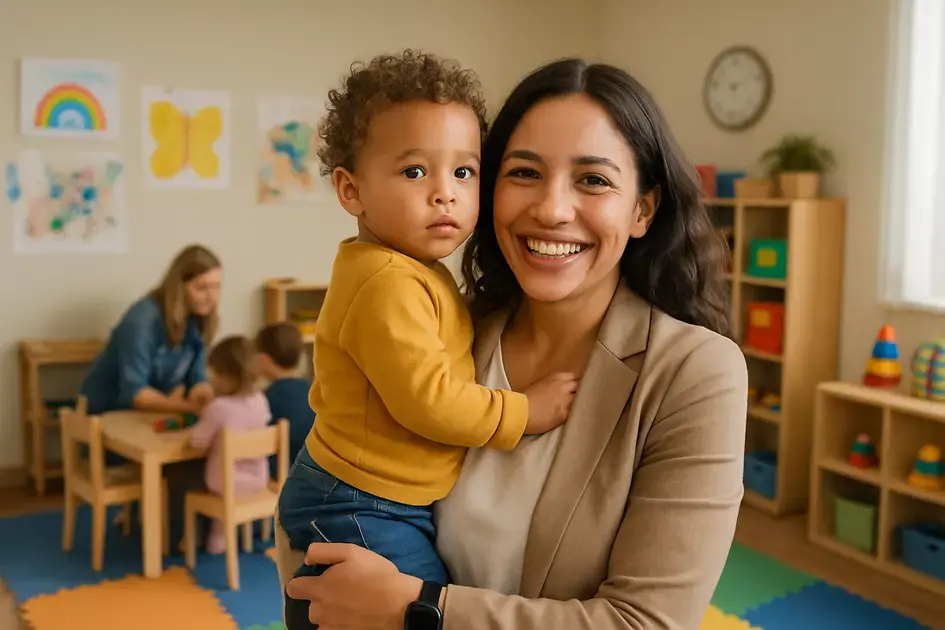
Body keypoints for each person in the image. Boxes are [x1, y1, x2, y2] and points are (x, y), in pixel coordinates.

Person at [276, 57, 747, 630]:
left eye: (593, 179)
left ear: (642, 209)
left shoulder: (695, 374)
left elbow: (644, 623)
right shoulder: (458, 328)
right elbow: (329, 488)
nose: (551, 209)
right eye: (524, 173)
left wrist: (420, 609)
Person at [276, 50, 578, 629]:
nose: (446, 193)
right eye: (415, 172)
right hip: (358, 501)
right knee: (403, 609)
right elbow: (429, 399)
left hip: (379, 496)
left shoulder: (408, 267)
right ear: (351, 190)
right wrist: (524, 412)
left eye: (463, 172)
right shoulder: (386, 281)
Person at [80, 244, 222, 417]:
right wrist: (191, 408)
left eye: (216, 287)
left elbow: (197, 379)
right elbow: (136, 394)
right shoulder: (142, 320)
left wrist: (207, 398)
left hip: (148, 413)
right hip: (107, 413)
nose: (211, 297)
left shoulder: (198, 319)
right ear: (179, 287)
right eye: (202, 288)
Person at [188, 335, 271, 554]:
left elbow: (197, 442)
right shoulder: (260, 400)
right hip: (258, 479)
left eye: (213, 374)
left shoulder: (219, 408)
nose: (210, 380)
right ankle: (229, 540)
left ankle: (204, 543)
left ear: (227, 378)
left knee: (198, 479)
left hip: (225, 483)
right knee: (229, 482)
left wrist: (202, 415)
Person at [255, 323, 315, 476]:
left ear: (263, 360)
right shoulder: (311, 391)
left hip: (280, 476)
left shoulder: (266, 399)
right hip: (310, 477)